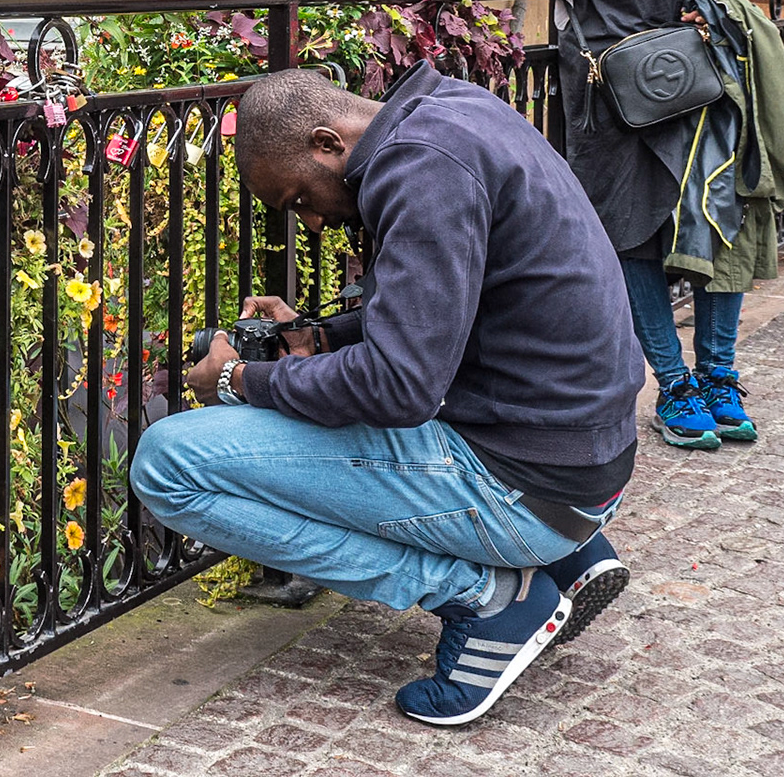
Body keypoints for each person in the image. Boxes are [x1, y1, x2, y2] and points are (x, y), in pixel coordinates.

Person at [130, 65, 642, 727]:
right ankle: (569, 555)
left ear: (324, 143)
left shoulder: (422, 171)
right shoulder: (447, 113)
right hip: (583, 458)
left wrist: (238, 381)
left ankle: (489, 599)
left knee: (167, 463)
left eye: (298, 201)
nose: (311, 223)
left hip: (532, 486)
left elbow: (400, 387)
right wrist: (317, 336)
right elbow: (458, 305)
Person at [511, 0, 752, 450]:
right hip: (613, 72)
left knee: (719, 208)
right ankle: (673, 386)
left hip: (688, 56)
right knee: (633, 225)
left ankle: (719, 375)